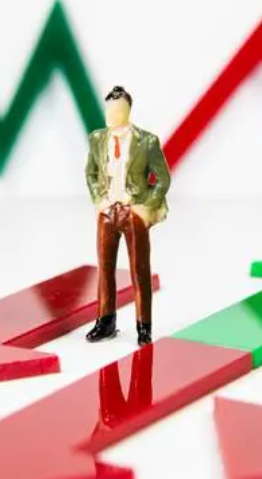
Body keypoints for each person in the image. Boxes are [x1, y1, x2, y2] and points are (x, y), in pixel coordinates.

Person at [84, 86, 171, 346]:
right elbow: (91, 173)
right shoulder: (97, 139)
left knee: (139, 270)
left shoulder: (146, 141)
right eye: (109, 110)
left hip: (132, 212)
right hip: (107, 213)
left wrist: (145, 207)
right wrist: (100, 201)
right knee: (104, 269)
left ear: (127, 111)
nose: (112, 115)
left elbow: (162, 178)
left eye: (117, 110)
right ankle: (105, 320)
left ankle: (144, 326)